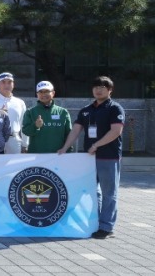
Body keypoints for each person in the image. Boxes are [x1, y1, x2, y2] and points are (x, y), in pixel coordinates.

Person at [58, 76, 125, 239]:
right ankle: (95, 222)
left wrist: (97, 145)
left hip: (108, 157)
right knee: (91, 191)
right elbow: (75, 130)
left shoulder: (115, 108)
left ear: (110, 90)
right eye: (95, 87)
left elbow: (116, 131)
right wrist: (65, 148)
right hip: (88, 159)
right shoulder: (86, 110)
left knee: (109, 193)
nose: (98, 90)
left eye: (102, 87)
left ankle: (107, 227)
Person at [22, 81, 72, 154]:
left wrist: (68, 150)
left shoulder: (63, 112)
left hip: (59, 154)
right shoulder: (30, 112)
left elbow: (69, 134)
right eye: (41, 92)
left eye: (46, 91)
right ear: (37, 94)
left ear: (53, 93)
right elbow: (26, 131)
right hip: (36, 155)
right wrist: (35, 126)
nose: (44, 94)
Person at [0, 72, 28, 154]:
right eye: (3, 82)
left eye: (9, 82)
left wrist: (25, 144)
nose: (6, 85)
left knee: (15, 166)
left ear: (13, 85)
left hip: (14, 139)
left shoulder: (20, 102)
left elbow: (23, 124)